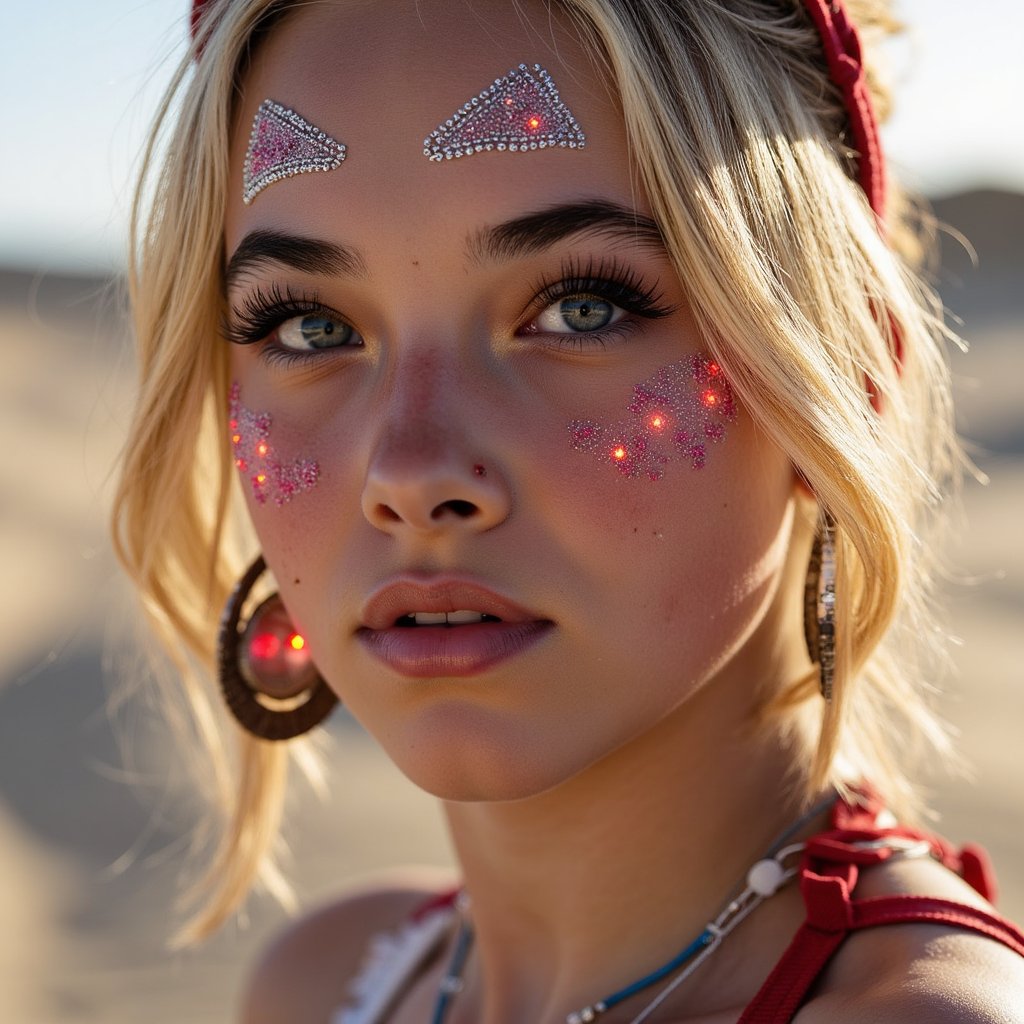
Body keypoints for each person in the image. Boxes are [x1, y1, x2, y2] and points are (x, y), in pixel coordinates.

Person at [111, 0, 1024, 1020]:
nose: (411, 472)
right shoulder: (322, 983)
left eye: (580, 308)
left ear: (842, 375)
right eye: (308, 326)